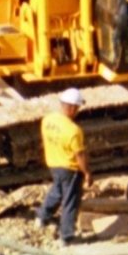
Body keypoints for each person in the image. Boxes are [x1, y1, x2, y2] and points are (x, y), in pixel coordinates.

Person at [35, 87, 91, 244]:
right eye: (78, 108)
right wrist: (87, 173)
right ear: (72, 108)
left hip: (53, 164)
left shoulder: (48, 120)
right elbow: (79, 155)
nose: (78, 110)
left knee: (57, 192)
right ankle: (66, 236)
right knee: (70, 201)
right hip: (70, 169)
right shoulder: (74, 131)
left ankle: (42, 217)